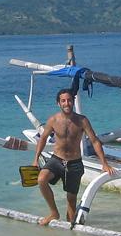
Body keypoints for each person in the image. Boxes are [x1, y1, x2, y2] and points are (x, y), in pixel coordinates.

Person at [33, 88, 115, 226]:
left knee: (71, 202)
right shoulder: (53, 120)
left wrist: (104, 163)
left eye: (69, 100)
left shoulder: (82, 120)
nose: (67, 103)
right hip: (56, 160)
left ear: (73, 102)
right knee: (41, 179)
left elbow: (94, 141)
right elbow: (43, 139)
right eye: (63, 101)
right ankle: (54, 212)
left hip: (74, 163)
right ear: (58, 103)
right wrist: (36, 159)